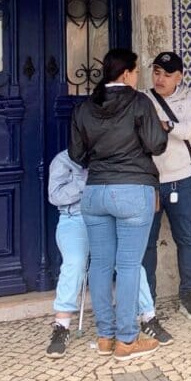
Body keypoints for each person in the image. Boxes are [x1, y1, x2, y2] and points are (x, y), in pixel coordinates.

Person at [70, 48, 169, 360]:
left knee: (100, 265)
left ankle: (105, 337)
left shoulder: (85, 107)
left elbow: (76, 154)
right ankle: (127, 339)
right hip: (132, 191)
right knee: (128, 266)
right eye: (136, 71)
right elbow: (157, 144)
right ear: (126, 73)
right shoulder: (139, 102)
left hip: (95, 192)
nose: (138, 76)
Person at [45, 149, 166, 358]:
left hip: (107, 217)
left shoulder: (110, 157)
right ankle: (61, 326)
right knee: (75, 262)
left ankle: (148, 317)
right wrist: (89, 183)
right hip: (74, 219)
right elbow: (55, 196)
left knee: (128, 262)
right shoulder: (62, 160)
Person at [143, 52, 191, 321]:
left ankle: (189, 295)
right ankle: (147, 301)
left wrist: (168, 125)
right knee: (147, 243)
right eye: (156, 72)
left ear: (179, 77)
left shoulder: (189, 97)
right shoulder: (143, 98)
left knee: (187, 239)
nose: (160, 79)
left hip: (182, 179)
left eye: (167, 74)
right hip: (150, 183)